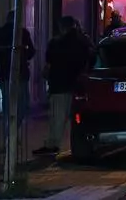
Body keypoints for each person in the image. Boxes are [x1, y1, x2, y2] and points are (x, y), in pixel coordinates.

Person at [34, 16, 93, 155]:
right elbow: (91, 58)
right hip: (78, 85)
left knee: (57, 117)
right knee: (74, 117)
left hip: (59, 84)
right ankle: (76, 144)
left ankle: (53, 144)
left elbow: (49, 64)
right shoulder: (83, 41)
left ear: (62, 27)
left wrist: (47, 75)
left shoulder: (56, 42)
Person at [0, 11, 35, 142]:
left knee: (8, 104)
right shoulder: (23, 33)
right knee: (23, 104)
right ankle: (12, 131)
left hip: (4, 73)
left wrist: (3, 55)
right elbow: (31, 52)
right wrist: (22, 55)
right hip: (21, 73)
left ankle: (9, 131)